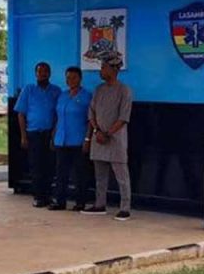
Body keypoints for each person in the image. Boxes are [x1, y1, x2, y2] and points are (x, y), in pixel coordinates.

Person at [82, 52, 134, 221]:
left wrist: (108, 133)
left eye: (103, 67)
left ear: (113, 69)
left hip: (115, 139)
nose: (101, 70)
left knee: (121, 176)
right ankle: (100, 204)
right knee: (100, 175)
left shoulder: (124, 90)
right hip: (98, 138)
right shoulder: (98, 89)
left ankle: (125, 208)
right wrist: (96, 132)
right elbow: (91, 112)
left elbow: (124, 117)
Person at [15, 62, 61, 207]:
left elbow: (58, 114)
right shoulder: (29, 89)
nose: (43, 74)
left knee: (50, 166)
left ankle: (48, 196)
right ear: (36, 74)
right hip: (33, 134)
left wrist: (55, 133)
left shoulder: (56, 91)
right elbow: (21, 114)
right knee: (36, 166)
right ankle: (38, 197)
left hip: (50, 133)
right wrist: (23, 136)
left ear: (50, 73)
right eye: (40, 71)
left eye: (46, 71)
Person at [50, 66, 93, 211]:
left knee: (79, 174)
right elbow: (58, 118)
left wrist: (87, 139)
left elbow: (90, 121)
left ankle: (80, 202)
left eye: (73, 77)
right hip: (61, 140)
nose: (70, 80)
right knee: (61, 173)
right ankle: (60, 201)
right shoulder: (62, 95)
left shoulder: (87, 96)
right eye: (68, 78)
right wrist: (53, 136)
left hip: (78, 140)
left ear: (80, 79)